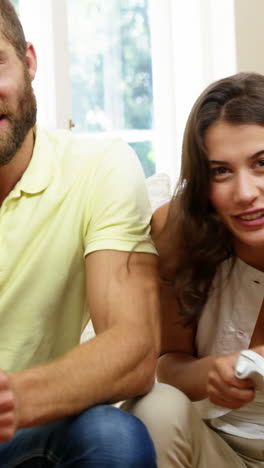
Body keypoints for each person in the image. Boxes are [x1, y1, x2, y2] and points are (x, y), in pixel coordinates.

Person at [0, 1, 160, 466]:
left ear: (29, 61)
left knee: (111, 435)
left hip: (25, 430)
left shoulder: (98, 168)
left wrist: (12, 401)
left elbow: (134, 349)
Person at [124, 71, 264, 467]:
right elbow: (166, 364)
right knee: (156, 408)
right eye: (221, 171)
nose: (245, 193)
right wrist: (210, 373)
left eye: (261, 163)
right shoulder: (179, 232)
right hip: (216, 449)